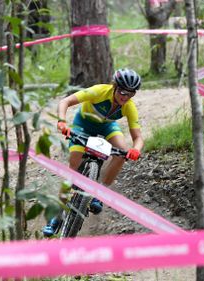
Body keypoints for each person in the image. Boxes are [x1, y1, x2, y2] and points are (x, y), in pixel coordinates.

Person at [42, 68, 145, 236]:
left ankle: (100, 193)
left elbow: (138, 137)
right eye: (122, 92)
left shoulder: (129, 107)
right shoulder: (99, 91)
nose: (125, 97)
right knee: (73, 167)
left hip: (107, 127)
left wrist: (136, 150)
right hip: (83, 124)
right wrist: (61, 121)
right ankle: (56, 216)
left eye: (130, 94)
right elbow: (65, 102)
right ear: (114, 86)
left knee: (123, 153)